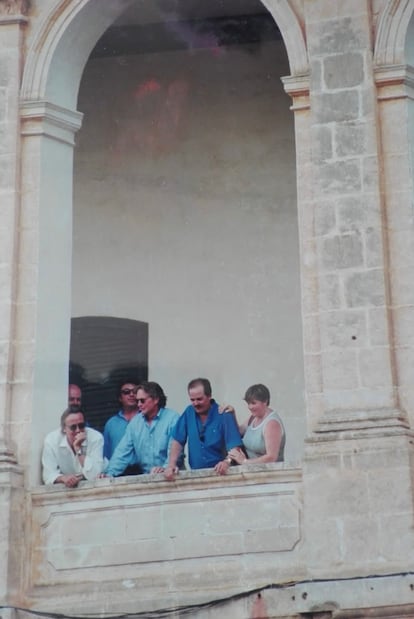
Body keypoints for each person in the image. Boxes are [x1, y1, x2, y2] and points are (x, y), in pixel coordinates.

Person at [164, 378, 243, 481]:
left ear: (209, 396)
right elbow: (177, 440)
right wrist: (171, 464)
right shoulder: (189, 412)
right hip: (196, 475)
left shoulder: (224, 414)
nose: (195, 403)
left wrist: (226, 461)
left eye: (199, 399)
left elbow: (234, 446)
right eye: (192, 400)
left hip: (221, 475)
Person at [103, 381, 181, 476]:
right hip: (148, 480)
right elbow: (122, 452)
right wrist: (108, 474)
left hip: (174, 478)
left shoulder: (172, 418)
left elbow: (176, 451)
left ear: (156, 399)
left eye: (142, 400)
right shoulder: (135, 423)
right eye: (137, 401)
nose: (139, 404)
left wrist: (165, 468)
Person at [42, 408, 105, 487]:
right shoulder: (52, 440)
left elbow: (94, 475)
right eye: (73, 427)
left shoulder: (95, 437)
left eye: (81, 426)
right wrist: (63, 478)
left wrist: (78, 449)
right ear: (64, 429)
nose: (78, 430)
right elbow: (48, 475)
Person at [226, 383, 285, 465]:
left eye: (253, 403)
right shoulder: (253, 418)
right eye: (248, 403)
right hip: (251, 471)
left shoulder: (272, 423)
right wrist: (232, 415)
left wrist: (244, 462)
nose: (250, 407)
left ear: (265, 401)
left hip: (269, 473)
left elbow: (272, 457)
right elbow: (239, 432)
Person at [103, 381, 140, 467]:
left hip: (143, 471)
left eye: (135, 392)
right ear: (120, 398)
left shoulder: (145, 418)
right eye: (126, 392)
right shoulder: (111, 424)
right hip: (117, 473)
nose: (131, 394)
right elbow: (107, 455)